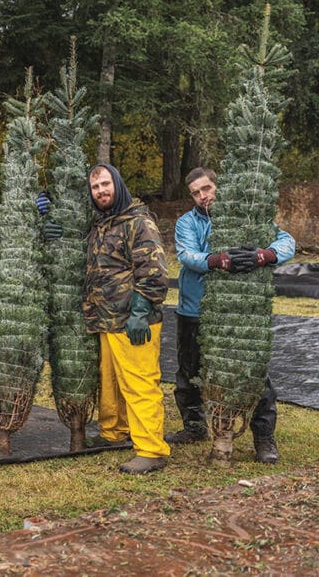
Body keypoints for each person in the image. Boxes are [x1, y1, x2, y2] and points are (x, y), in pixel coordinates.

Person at [169, 167, 295, 463]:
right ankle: (195, 426)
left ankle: (264, 438)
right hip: (194, 309)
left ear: (218, 186)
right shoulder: (187, 222)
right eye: (196, 193)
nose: (203, 197)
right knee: (189, 371)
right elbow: (187, 254)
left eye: (206, 189)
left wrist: (264, 255)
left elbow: (286, 240)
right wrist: (217, 260)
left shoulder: (244, 217)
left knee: (253, 375)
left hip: (236, 314)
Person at [83, 164, 170, 474]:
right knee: (111, 382)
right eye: (95, 188)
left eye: (105, 184)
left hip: (134, 320)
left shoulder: (138, 222)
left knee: (140, 384)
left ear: (117, 185)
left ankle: (151, 449)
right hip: (107, 319)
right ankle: (114, 432)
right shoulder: (103, 224)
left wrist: (139, 311)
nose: (101, 191)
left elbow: (155, 271)